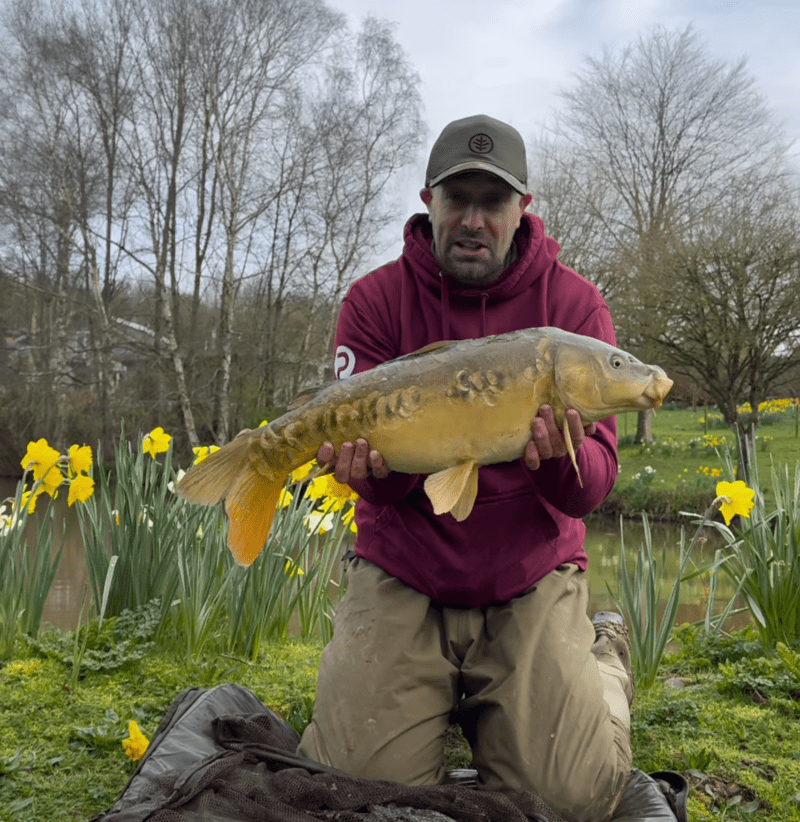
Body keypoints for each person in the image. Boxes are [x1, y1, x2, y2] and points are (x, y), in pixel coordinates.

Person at [297, 114, 634, 822]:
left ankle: (600, 657)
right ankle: (435, 692)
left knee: (567, 799)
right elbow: (381, 486)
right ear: (429, 201)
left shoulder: (574, 310)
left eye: (493, 201)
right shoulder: (373, 301)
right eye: (458, 199)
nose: (473, 220)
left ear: (523, 207)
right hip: (405, 568)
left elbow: (594, 484)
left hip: (528, 572)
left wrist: (556, 463)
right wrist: (372, 472)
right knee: (357, 793)